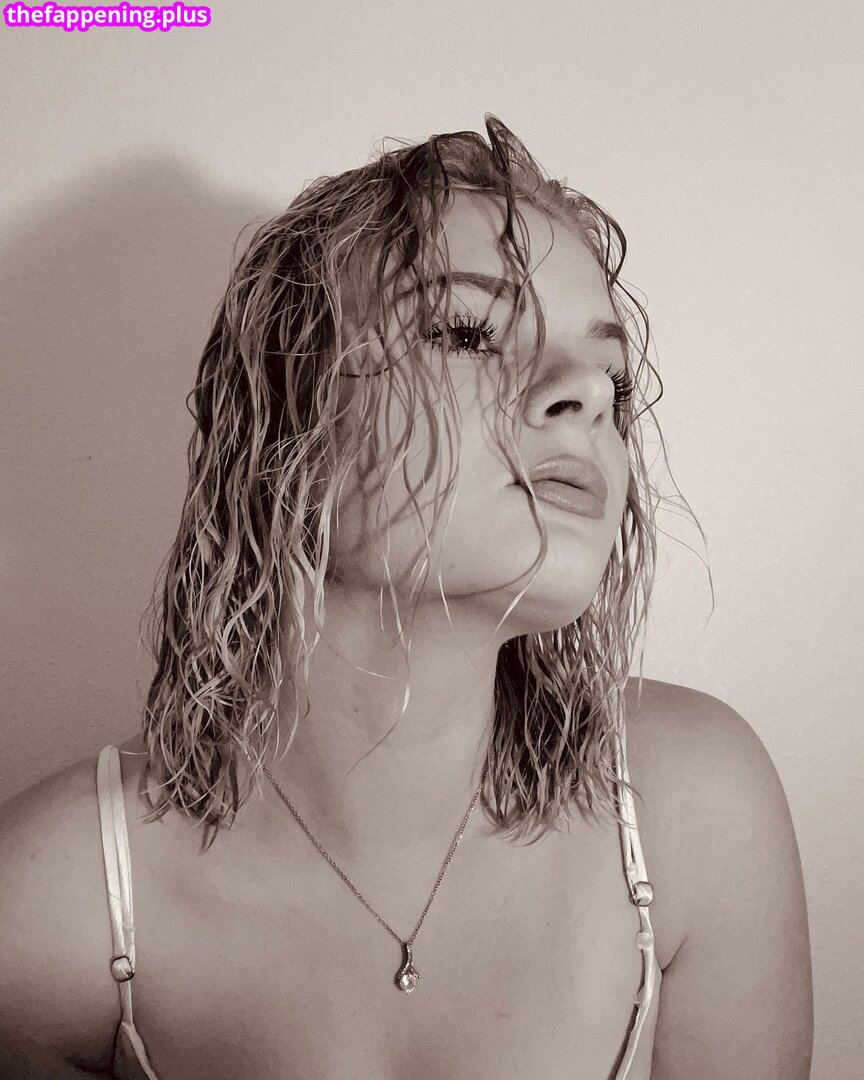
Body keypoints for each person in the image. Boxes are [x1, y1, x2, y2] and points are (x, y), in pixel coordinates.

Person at [0, 116, 812, 1079]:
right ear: (289, 422)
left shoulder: (690, 812)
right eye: (468, 332)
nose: (589, 396)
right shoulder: (57, 902)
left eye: (616, 381)